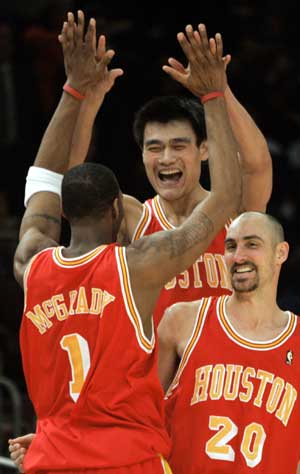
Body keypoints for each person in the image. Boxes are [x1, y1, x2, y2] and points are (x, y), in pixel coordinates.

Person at [8, 10, 241, 474]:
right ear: (118, 209)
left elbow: (42, 182)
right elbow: (226, 199)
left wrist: (74, 91)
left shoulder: (31, 262)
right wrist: (214, 93)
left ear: (63, 214)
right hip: (126, 460)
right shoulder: (139, 265)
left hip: (52, 458)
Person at [66, 22, 273, 327]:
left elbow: (257, 165)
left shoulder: (235, 211)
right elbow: (71, 181)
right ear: (142, 154)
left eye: (178, 146)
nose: (165, 158)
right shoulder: (133, 217)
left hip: (218, 371)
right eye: (154, 148)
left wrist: (219, 90)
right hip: (155, 374)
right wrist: (88, 99)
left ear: (204, 150)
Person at [158, 211, 300, 473]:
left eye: (252, 244)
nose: (239, 256)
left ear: (280, 253)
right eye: (231, 246)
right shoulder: (183, 321)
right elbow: (142, 419)